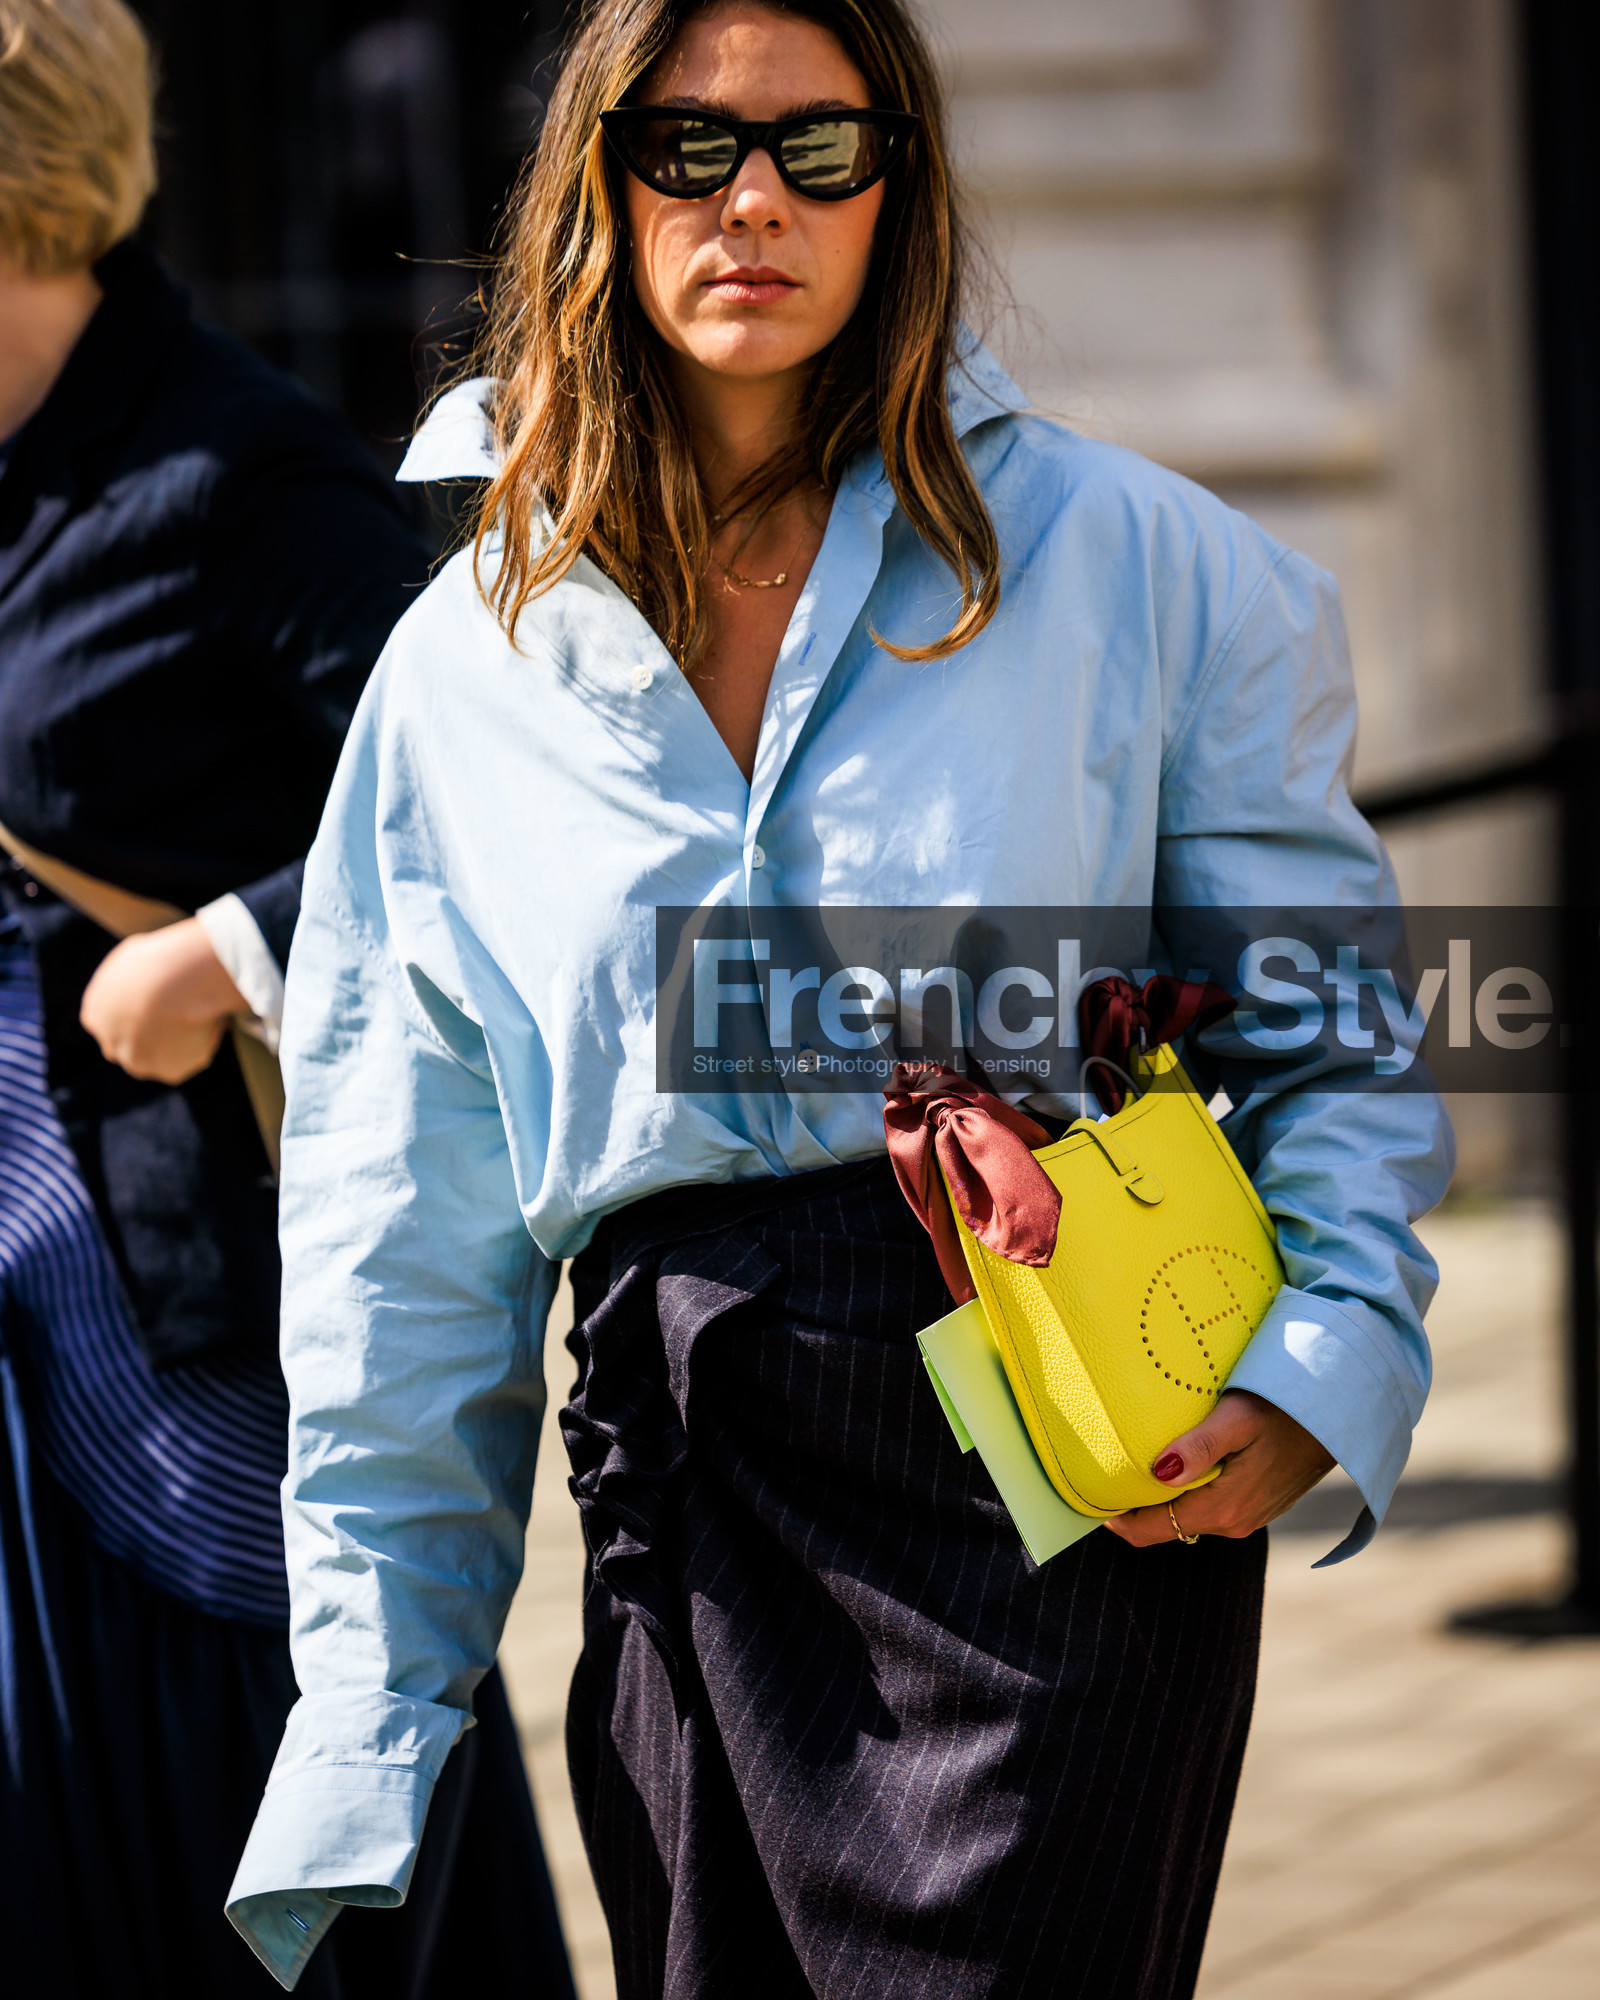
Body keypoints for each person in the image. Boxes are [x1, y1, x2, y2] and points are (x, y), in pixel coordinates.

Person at [228, 1, 1453, 1994]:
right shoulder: (461, 667)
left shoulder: (1139, 566)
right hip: (680, 1484)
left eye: (820, 149)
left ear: (900, 184)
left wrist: (1322, 1353)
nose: (752, 205)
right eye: (688, 148)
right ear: (597, 186)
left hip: (1056, 1460)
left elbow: (1319, 1019)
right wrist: (374, 1698)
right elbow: (396, 1217)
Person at [0, 2, 574, 1994]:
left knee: (293, 1846)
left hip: (191, 1331)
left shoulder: (234, 470)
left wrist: (222, 945)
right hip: (15, 1317)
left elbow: (499, 790)